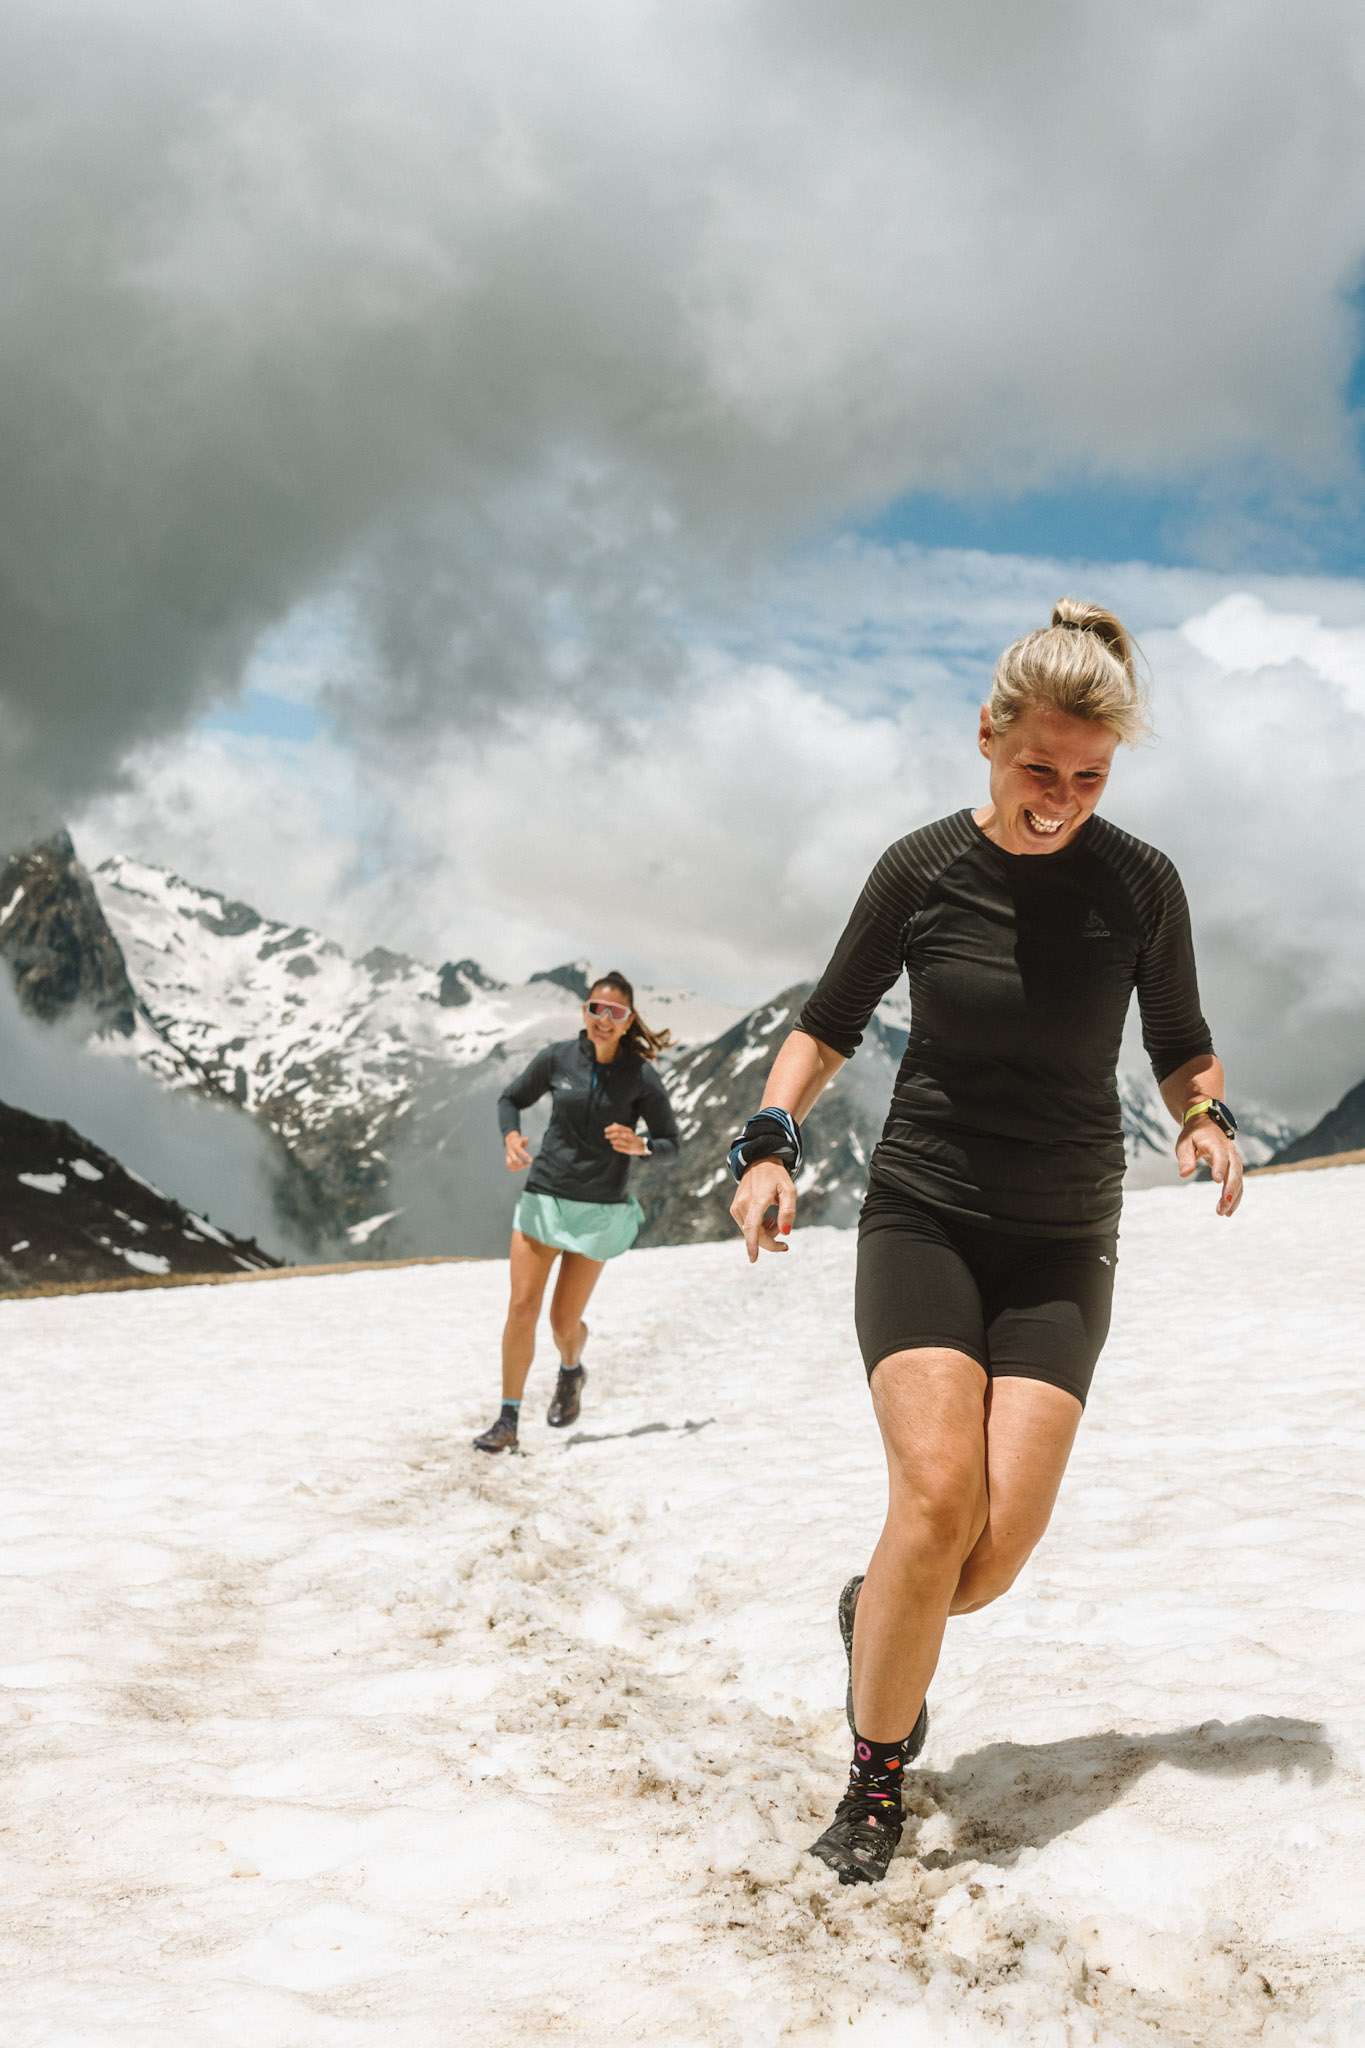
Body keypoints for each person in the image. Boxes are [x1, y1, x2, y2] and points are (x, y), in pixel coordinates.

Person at [728, 601, 1244, 1885]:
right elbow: (826, 1023)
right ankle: (876, 1779)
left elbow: (1181, 1041)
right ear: (987, 735)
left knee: (986, 1554)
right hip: (928, 1213)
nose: (1060, 799)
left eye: (1089, 777)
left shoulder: (1141, 883)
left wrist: (1204, 1117)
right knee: (935, 1497)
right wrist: (770, 1140)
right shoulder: (920, 870)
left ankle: (875, 1609)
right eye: (1038, 768)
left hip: (1066, 1237)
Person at [472, 972, 681, 1452]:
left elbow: (671, 1143)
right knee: (521, 1307)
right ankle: (507, 1420)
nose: (603, 1019)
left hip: (600, 1210)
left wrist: (642, 1146)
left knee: (564, 1324)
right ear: (584, 1011)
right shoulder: (557, 1058)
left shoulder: (641, 1076)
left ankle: (572, 1371)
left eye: (615, 1013)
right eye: (595, 1009)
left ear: (629, 1020)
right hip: (544, 1196)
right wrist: (510, 1137)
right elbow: (511, 1098)